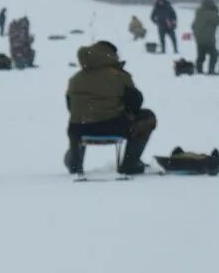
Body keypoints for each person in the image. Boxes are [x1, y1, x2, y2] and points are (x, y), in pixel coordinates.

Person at [65, 41, 158, 175]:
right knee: (147, 117)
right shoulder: (120, 76)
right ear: (109, 55)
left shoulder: (75, 79)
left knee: (78, 120)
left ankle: (75, 162)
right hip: (113, 127)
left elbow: (71, 107)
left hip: (78, 129)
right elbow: (136, 103)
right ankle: (130, 164)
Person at [193, 0, 219, 75]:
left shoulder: (198, 12)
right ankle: (211, 70)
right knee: (214, 54)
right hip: (209, 39)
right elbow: (218, 21)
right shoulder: (211, 13)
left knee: (201, 55)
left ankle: (199, 70)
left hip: (198, 38)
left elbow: (193, 25)